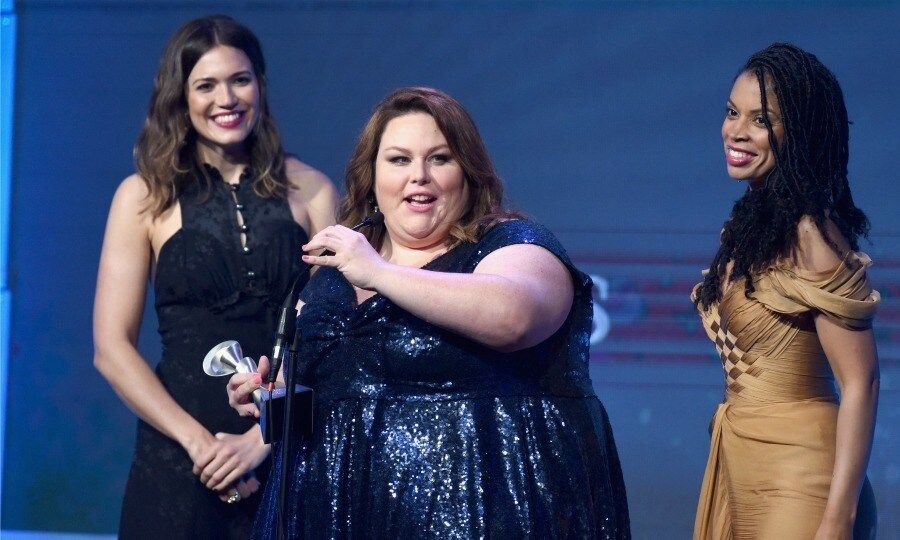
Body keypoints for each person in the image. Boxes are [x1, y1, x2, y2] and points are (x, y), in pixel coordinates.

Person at [228, 87, 630, 538]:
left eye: (440, 159)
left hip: (482, 512)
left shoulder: (512, 244)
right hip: (331, 514)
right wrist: (273, 388)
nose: (419, 176)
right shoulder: (332, 280)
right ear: (372, 176)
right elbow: (327, 380)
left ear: (469, 173)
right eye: (398, 160)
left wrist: (378, 272)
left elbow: (513, 317)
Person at [93, 15, 337, 538]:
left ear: (262, 85)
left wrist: (261, 441)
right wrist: (201, 445)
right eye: (206, 85)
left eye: (240, 80)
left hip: (285, 449)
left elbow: (335, 337)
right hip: (180, 454)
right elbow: (111, 348)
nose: (226, 98)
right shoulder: (142, 197)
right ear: (180, 97)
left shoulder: (313, 190)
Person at [692, 43, 879, 539]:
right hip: (741, 461)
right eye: (733, 113)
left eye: (760, 120)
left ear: (798, 133)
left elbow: (862, 383)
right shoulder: (749, 226)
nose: (737, 131)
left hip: (803, 475)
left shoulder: (811, 233)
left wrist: (838, 520)